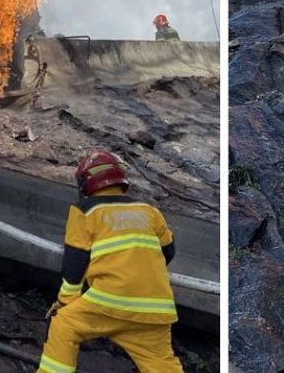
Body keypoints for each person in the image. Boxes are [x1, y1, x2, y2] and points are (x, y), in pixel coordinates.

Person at [37, 150, 182, 373]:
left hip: (110, 299)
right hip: (156, 308)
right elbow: (168, 252)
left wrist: (65, 301)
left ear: (86, 183)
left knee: (64, 324)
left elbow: (75, 260)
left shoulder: (85, 211)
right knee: (161, 363)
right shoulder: (149, 211)